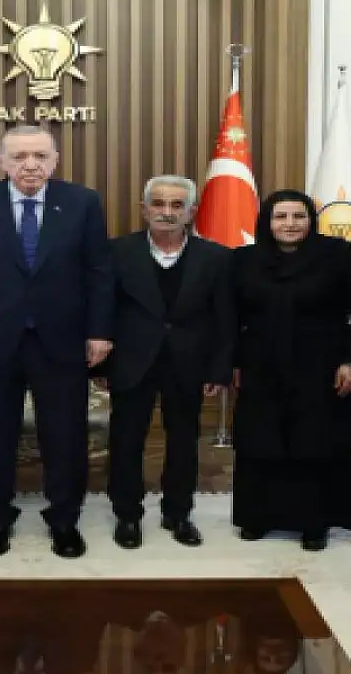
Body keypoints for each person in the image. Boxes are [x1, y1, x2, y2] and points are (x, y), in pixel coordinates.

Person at [0, 124, 114, 558]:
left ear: (54, 161)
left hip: (62, 340)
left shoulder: (82, 202)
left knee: (65, 436)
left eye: (40, 156)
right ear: (2, 162)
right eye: (19, 157)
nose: (30, 165)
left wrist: (99, 331)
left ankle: (64, 521)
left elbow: (98, 271)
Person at [99, 175, 234, 549]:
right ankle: (127, 514)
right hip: (130, 362)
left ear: (192, 212)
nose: (167, 212)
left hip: (189, 363)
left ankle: (178, 513)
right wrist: (100, 366)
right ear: (144, 210)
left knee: (184, 441)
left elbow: (225, 319)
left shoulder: (217, 258)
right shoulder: (116, 252)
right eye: (158, 204)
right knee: (126, 440)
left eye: (177, 205)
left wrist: (219, 368)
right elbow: (102, 311)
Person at [231, 189, 351, 550]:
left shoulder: (338, 256)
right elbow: (230, 317)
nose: (290, 224)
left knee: (315, 443)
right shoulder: (243, 259)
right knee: (260, 441)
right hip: (260, 366)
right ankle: (257, 516)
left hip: (321, 367)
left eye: (299, 216)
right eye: (281, 216)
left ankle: (314, 523)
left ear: (312, 220)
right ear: (267, 221)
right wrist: (233, 363)